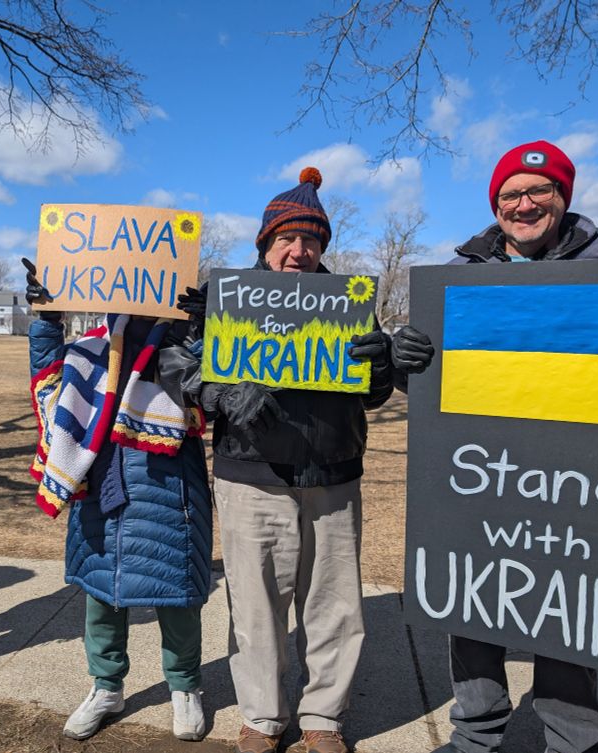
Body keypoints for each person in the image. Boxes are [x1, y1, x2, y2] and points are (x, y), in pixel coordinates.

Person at [391, 140, 598, 753]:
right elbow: (429, 389)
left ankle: (572, 740)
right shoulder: (460, 274)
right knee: (471, 603)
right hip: (482, 474)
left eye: (540, 190)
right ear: (495, 204)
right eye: (511, 194)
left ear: (563, 197)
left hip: (580, 480)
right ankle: (475, 735)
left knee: (571, 612)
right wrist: (410, 362)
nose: (525, 204)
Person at [197, 168, 393, 753]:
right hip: (250, 474)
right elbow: (181, 365)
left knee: (333, 605)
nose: (298, 250)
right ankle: (262, 717)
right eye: (286, 238)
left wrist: (381, 364)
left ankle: (323, 718)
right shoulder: (228, 299)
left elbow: (374, 391)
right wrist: (219, 390)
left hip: (333, 475)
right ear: (265, 243)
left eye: (310, 240)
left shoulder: (350, 304)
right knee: (255, 606)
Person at [22, 257, 213, 742]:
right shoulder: (93, 347)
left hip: (169, 491)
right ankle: (106, 687)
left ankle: (184, 686)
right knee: (101, 594)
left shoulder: (185, 343)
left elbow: (209, 390)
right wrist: (47, 319)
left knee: (178, 596)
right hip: (101, 488)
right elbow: (49, 376)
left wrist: (202, 329)